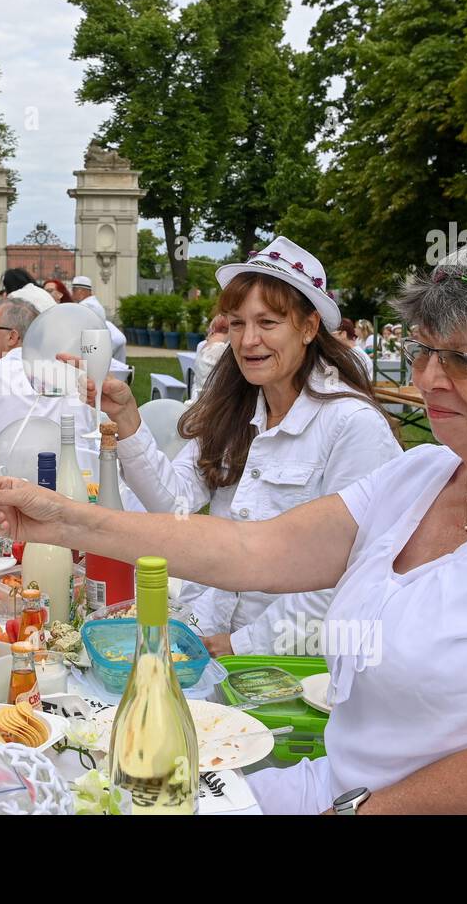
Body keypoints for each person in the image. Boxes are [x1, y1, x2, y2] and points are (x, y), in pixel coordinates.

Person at [0, 238, 467, 814]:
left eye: (463, 360)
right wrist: (62, 520)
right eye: (425, 351)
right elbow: (250, 549)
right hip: (340, 786)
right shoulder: (419, 475)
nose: (432, 379)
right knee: (105, 795)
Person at [86, 238, 400, 658]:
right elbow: (173, 502)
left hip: (292, 666)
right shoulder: (235, 411)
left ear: (308, 328)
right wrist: (126, 418)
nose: (248, 340)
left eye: (267, 323)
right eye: (236, 323)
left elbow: (347, 572)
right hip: (207, 635)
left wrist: (241, 644)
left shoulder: (353, 427)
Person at [0, 298, 99, 477]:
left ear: (12, 336)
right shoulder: (73, 375)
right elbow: (85, 442)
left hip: (3, 486)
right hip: (73, 480)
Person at [71, 275, 126, 361]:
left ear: (80, 291)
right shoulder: (92, 304)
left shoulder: (86, 306)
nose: (72, 294)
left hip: (93, 346)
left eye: (73, 290)